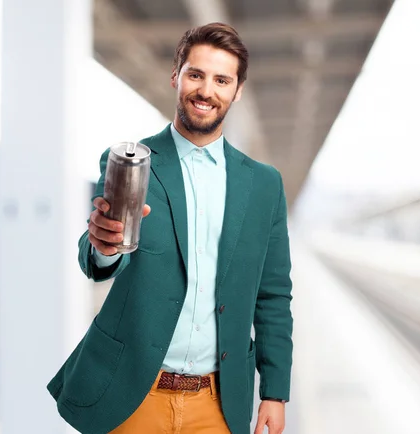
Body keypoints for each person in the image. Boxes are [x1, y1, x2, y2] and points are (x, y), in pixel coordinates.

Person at [47, 22, 293, 434]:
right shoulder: (130, 163)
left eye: (221, 80)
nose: (206, 90)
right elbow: (99, 258)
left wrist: (275, 391)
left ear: (237, 90)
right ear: (176, 75)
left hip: (216, 405)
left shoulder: (264, 185)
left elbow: (273, 295)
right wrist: (104, 247)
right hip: (133, 397)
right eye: (196, 74)